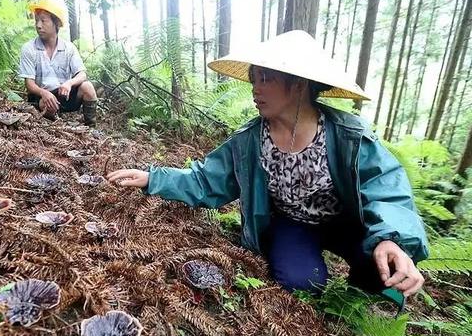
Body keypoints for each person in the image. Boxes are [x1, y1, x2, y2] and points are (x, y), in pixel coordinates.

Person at [107, 30, 428, 305]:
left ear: (299, 85)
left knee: (378, 267)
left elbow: (386, 188)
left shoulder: (348, 135)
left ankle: (358, 303)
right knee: (303, 281)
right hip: (293, 224)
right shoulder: (249, 140)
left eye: (266, 78)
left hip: (347, 220)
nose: (255, 88)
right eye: (253, 78)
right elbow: (207, 180)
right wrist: (152, 178)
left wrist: (390, 239)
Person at [18, 0, 98, 126]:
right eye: (37, 21)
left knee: (87, 87)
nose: (38, 25)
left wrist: (69, 83)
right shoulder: (29, 48)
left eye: (43, 21)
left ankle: (91, 127)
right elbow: (29, 84)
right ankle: (54, 125)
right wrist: (44, 93)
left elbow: (82, 74)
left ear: (56, 23)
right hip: (41, 96)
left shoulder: (69, 48)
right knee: (46, 102)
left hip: (64, 94)